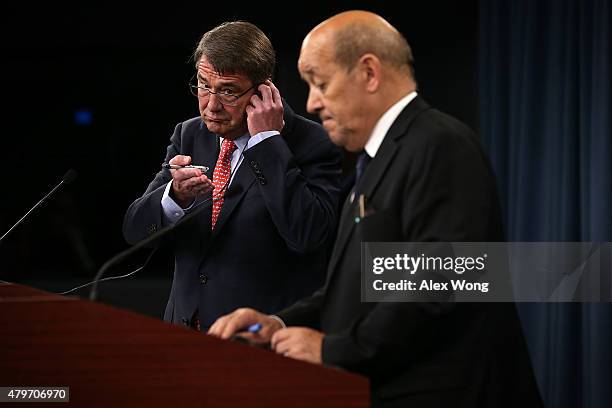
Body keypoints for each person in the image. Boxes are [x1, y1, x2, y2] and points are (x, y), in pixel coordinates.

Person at [208, 11, 542, 408]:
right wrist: (276, 324)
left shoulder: (439, 144)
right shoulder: (377, 160)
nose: (312, 103)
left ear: (368, 72)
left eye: (321, 83)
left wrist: (333, 351)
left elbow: (441, 287)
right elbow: (361, 288)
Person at [123, 21, 341, 331]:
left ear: (264, 90)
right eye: (202, 84)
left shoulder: (314, 143)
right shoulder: (189, 135)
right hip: (184, 333)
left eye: (228, 91)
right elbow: (135, 231)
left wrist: (267, 142)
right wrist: (174, 197)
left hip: (257, 339)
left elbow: (307, 235)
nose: (211, 106)